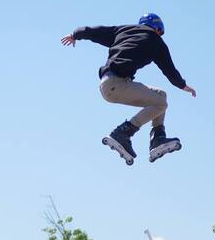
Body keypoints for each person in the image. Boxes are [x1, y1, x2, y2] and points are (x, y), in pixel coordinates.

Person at [61, 14, 197, 164]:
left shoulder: (123, 30)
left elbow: (96, 31)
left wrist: (75, 34)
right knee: (160, 104)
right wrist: (183, 85)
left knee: (160, 95)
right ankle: (123, 132)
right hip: (118, 85)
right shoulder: (156, 42)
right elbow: (169, 71)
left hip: (108, 84)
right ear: (158, 29)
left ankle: (158, 138)